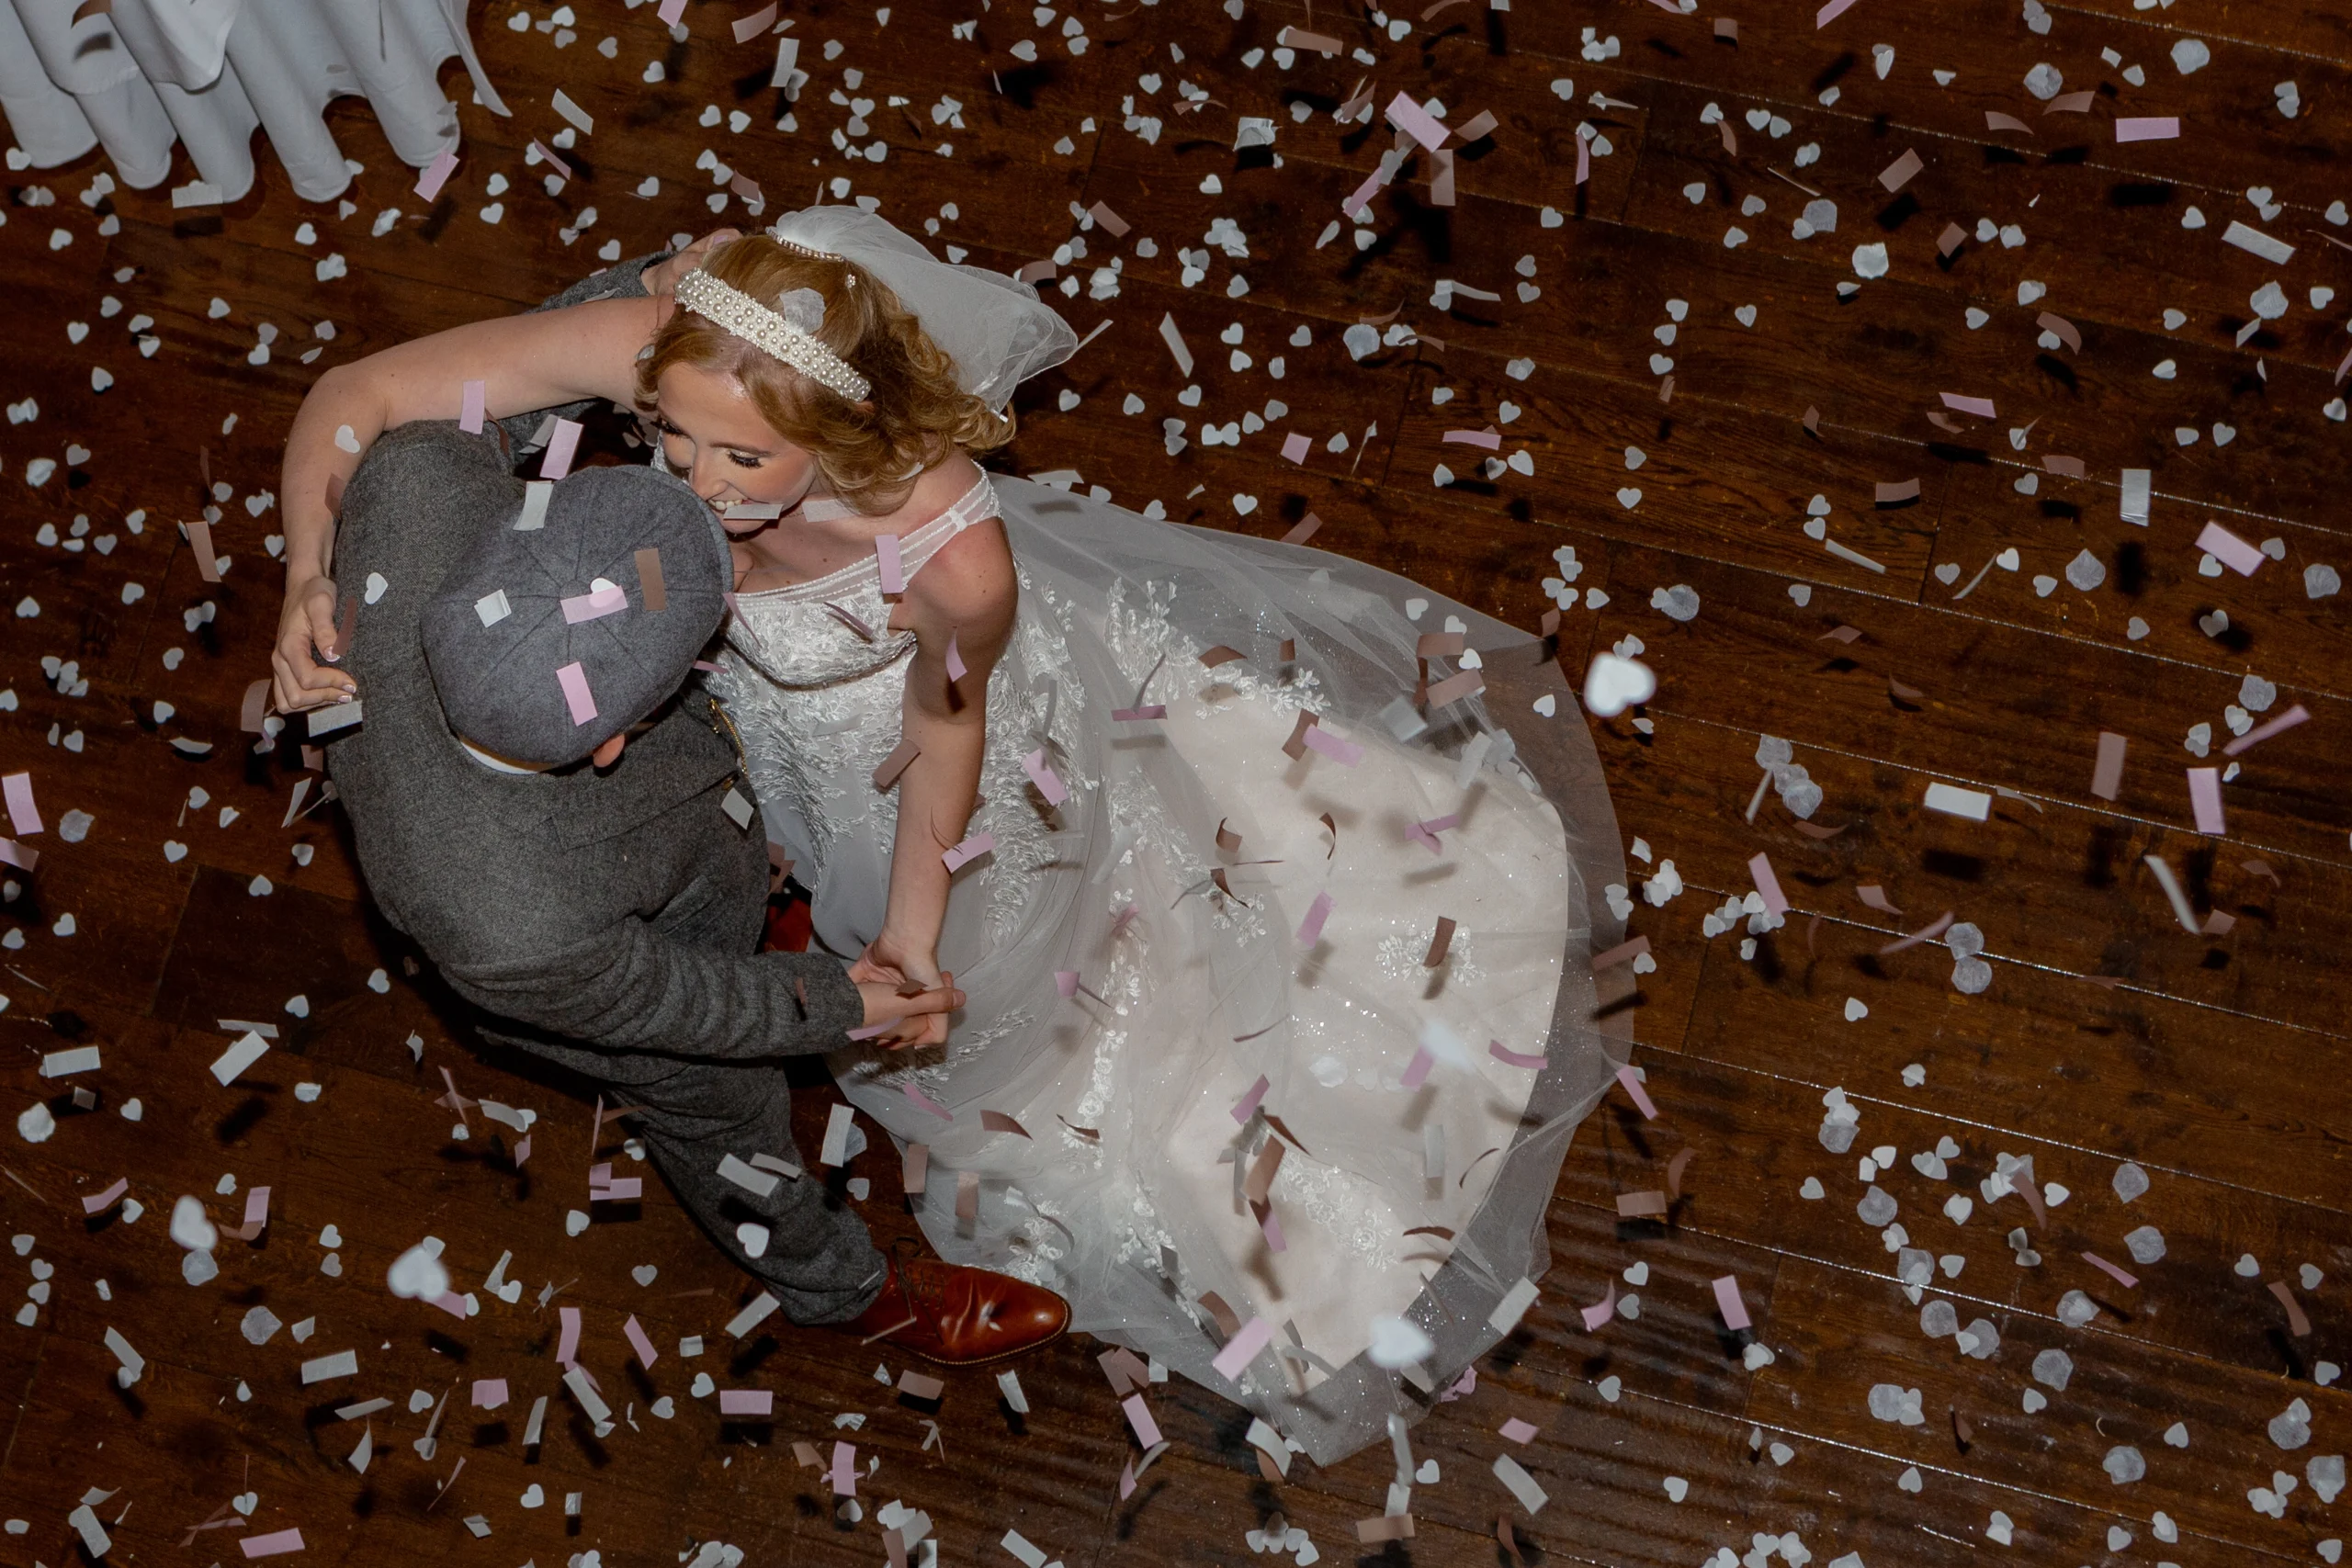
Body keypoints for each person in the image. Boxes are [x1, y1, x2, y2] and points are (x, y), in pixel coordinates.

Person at [273, 209, 1630, 1462]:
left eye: (743, 458)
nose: (692, 486)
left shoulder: (949, 557)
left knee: (1037, 936)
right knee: (705, 1047)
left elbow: (945, 738)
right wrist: (305, 573)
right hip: (732, 754)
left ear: (844, 434)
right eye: (671, 437)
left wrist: (912, 930)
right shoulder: (671, 360)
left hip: (885, 761)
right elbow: (364, 395)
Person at [313, 415, 1069, 1364]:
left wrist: (667, 298)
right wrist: (843, 1003)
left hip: (663, 852)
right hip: (610, 963)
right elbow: (690, 1000)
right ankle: (837, 1287)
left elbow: (510, 376)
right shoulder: (513, 924)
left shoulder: (418, 482)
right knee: (720, 1114)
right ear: (613, 741)